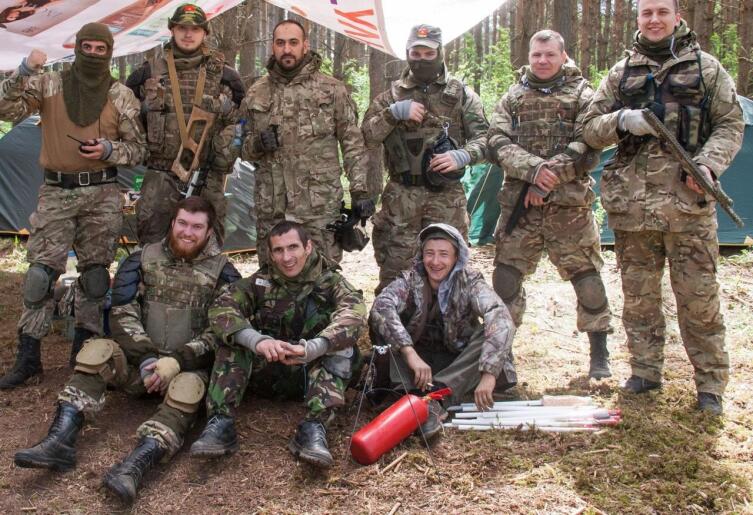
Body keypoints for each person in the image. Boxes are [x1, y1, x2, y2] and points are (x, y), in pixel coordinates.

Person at [13, 197, 241, 504]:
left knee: (188, 388)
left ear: (209, 231)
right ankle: (59, 440)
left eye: (197, 227)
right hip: (138, 366)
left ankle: (134, 468)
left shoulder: (224, 273)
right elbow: (122, 312)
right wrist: (146, 358)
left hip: (185, 371)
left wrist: (176, 361)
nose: (188, 232)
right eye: (183, 223)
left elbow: (222, 330)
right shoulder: (141, 259)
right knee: (97, 350)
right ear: (172, 223)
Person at [582, 0, 744, 413]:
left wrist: (708, 164)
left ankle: (710, 386)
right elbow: (590, 128)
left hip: (688, 206)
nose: (654, 20)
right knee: (639, 298)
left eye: (662, 12)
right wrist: (622, 120)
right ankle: (645, 372)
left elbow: (730, 123)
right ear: (638, 18)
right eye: (646, 13)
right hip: (632, 209)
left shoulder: (706, 68)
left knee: (699, 299)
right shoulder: (620, 73)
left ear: (677, 17)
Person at [0, 23, 147, 389]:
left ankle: (85, 354)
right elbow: (6, 108)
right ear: (77, 48)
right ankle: (28, 358)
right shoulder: (49, 83)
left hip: (102, 194)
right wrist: (24, 71)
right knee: (39, 277)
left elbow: (138, 149)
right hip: (56, 192)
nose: (94, 54)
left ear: (109, 52)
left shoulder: (120, 95)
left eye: (101, 49)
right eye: (88, 47)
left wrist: (109, 149)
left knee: (95, 278)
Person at [486, 30, 613, 380]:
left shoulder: (583, 94)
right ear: (529, 56)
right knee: (506, 280)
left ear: (563, 55)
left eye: (549, 55)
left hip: (569, 208)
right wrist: (533, 170)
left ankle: (599, 353)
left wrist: (547, 179)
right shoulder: (513, 96)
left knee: (587, 279)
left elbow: (588, 144)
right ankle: (501, 354)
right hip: (520, 206)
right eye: (536, 55)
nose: (542, 61)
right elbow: (496, 141)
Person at [189, 221, 367, 468]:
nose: (287, 257)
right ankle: (220, 423)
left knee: (343, 348)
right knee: (231, 339)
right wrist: (257, 341)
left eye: (293, 247)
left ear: (308, 247)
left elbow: (354, 314)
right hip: (268, 369)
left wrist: (313, 348)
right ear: (271, 254)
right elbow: (223, 306)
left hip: (312, 375)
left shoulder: (332, 282)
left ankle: (314, 427)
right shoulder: (260, 282)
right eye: (279, 250)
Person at [362, 24, 488, 294]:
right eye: (415, 53)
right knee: (395, 274)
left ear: (440, 53)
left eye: (428, 54)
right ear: (407, 53)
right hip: (401, 198)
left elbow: (487, 140)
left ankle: (446, 320)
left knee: (450, 273)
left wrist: (463, 155)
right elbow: (367, 137)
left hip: (446, 198)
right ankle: (393, 320)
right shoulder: (390, 97)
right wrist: (392, 114)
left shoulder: (461, 95)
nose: (421, 60)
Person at [238, 19, 372, 265]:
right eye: (280, 43)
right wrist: (257, 144)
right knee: (273, 277)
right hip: (273, 209)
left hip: (318, 210)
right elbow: (241, 148)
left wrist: (359, 191)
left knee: (323, 276)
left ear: (305, 45)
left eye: (293, 42)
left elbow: (352, 143)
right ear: (273, 47)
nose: (286, 49)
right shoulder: (256, 93)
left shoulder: (332, 90)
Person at [369, 223, 517, 438]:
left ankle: (435, 396)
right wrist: (409, 352)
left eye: (444, 254)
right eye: (429, 253)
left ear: (457, 257)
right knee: (384, 326)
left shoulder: (470, 282)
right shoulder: (410, 280)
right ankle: (412, 396)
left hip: (457, 362)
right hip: (417, 363)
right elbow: (381, 306)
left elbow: (500, 317)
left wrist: (489, 373)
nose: (435, 262)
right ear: (421, 256)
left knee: (490, 331)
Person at [126, 3, 245, 244]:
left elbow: (242, 123)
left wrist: (225, 152)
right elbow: (128, 122)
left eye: (195, 29)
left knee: (207, 247)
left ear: (205, 33)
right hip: (160, 176)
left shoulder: (226, 76)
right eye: (182, 28)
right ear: (172, 30)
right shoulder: (146, 74)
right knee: (153, 245)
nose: (188, 34)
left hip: (206, 177)